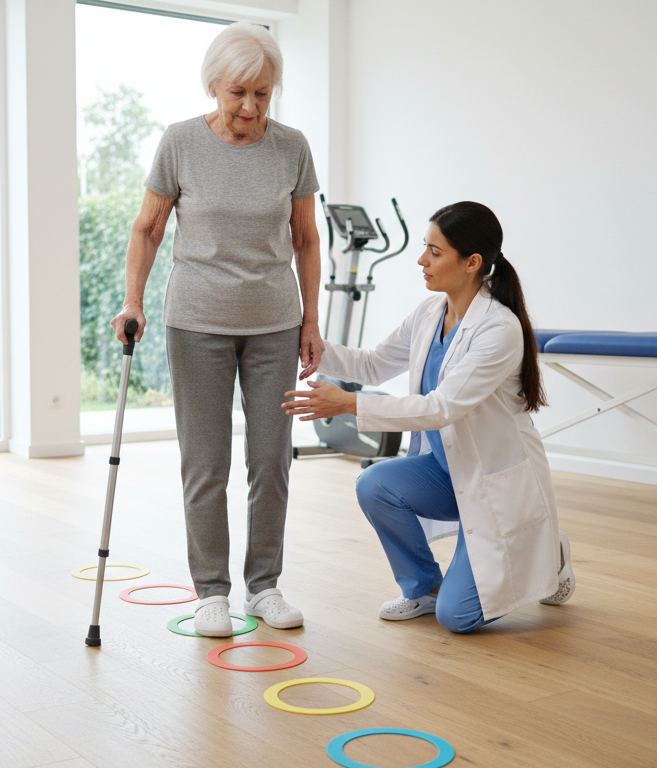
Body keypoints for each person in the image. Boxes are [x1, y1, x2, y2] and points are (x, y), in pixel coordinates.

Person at [111, 22, 323, 638]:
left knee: (272, 460)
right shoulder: (180, 142)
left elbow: (306, 239)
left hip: (275, 324)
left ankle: (265, 587)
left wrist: (311, 318)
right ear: (213, 87)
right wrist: (134, 302)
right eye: (238, 94)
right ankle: (210, 592)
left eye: (263, 94)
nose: (250, 108)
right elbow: (147, 228)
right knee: (206, 463)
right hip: (197, 321)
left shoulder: (292, 147)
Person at [283, 202, 574, 634]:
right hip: (445, 472)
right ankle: (423, 586)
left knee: (458, 619)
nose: (422, 260)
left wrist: (349, 405)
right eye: (425, 248)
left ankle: (552, 556)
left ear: (472, 263)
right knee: (374, 484)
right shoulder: (429, 313)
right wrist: (309, 342)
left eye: (434, 252)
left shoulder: (499, 330)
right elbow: (373, 364)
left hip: (491, 482)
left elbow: (441, 408)